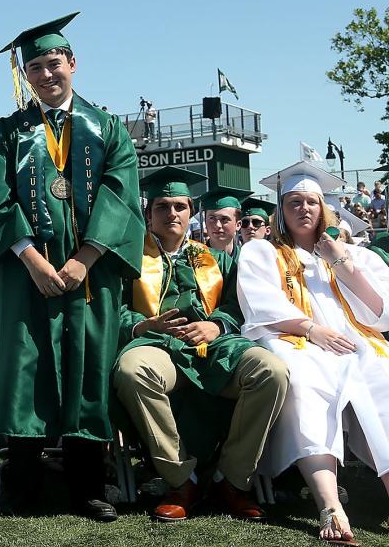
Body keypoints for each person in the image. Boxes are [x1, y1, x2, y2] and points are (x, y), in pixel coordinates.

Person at [0, 13, 144, 521]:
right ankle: (22, 483)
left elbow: (121, 196)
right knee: (24, 368)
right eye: (35, 68)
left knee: (88, 367)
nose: (47, 75)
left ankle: (88, 487)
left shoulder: (109, 127)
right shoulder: (9, 131)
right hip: (26, 270)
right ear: (24, 76)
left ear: (73, 63)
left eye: (54, 64)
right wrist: (30, 259)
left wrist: (84, 259)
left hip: (90, 276)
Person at [113, 166, 288, 523]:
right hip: (157, 345)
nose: (172, 213)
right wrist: (143, 323)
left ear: (192, 214)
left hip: (213, 348)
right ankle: (182, 479)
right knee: (133, 370)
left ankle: (232, 479)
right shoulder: (127, 260)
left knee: (271, 371)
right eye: (162, 206)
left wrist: (215, 325)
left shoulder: (218, 259)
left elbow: (238, 306)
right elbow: (109, 310)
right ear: (148, 213)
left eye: (180, 206)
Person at [237, 161, 389, 545]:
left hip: (358, 343)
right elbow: (261, 304)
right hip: (297, 340)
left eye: (311, 202)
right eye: (293, 202)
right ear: (281, 212)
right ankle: (330, 505)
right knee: (303, 382)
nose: (303, 208)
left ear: (324, 208)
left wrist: (341, 260)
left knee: (382, 379)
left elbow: (382, 312)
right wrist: (313, 329)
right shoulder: (262, 252)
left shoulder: (359, 254)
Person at [201, 187, 250, 263]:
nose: (217, 225)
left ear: (238, 225)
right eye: (212, 218)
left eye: (224, 219)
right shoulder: (194, 260)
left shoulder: (248, 260)